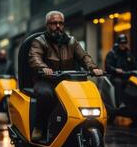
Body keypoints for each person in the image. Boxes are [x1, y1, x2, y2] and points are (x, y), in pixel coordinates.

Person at [28, 10, 103, 139]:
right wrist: (43, 67)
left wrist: (93, 68)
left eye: (60, 23)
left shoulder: (71, 41)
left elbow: (84, 56)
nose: (58, 26)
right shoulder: (39, 41)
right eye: (54, 23)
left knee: (87, 94)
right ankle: (39, 126)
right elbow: (34, 57)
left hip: (68, 81)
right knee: (45, 95)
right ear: (47, 25)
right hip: (47, 80)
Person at [105, 34, 137, 106]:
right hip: (115, 76)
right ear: (118, 43)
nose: (123, 45)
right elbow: (107, 66)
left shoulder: (128, 53)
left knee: (136, 83)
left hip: (127, 76)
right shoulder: (112, 53)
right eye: (121, 43)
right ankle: (119, 103)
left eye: (124, 43)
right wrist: (115, 70)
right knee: (119, 82)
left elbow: (135, 64)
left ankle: (135, 103)